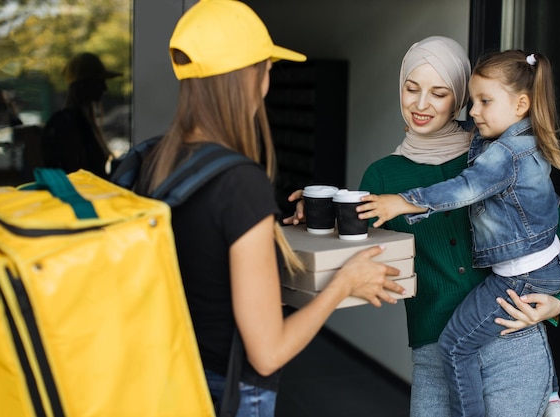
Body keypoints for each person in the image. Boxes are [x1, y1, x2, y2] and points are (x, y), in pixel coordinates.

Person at [128, 1, 405, 416]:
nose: (270, 77)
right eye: (267, 66)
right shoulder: (240, 183)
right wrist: (342, 285)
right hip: (229, 392)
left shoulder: (151, 161)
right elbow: (267, 353)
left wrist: (268, 226)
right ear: (249, 76)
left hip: (172, 378)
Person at [285, 37, 560, 417]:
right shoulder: (383, 174)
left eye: (439, 93)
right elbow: (356, 238)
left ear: (459, 96)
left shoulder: (493, 153)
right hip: (435, 350)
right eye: (411, 89)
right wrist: (314, 221)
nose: (421, 104)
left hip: (513, 338)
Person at [42, 52, 120, 178]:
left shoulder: (76, 122)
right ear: (84, 84)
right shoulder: (68, 125)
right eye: (99, 81)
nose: (105, 88)